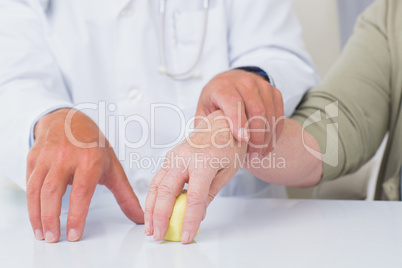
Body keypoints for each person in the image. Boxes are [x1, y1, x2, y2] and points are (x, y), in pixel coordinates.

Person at [0, 0, 319, 243]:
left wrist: (247, 86)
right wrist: (49, 118)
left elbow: (281, 55)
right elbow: (13, 76)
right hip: (86, 233)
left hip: (236, 226)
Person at [147, 0, 402, 244]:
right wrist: (237, 124)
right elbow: (340, 123)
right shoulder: (391, 13)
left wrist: (242, 106)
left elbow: (280, 57)